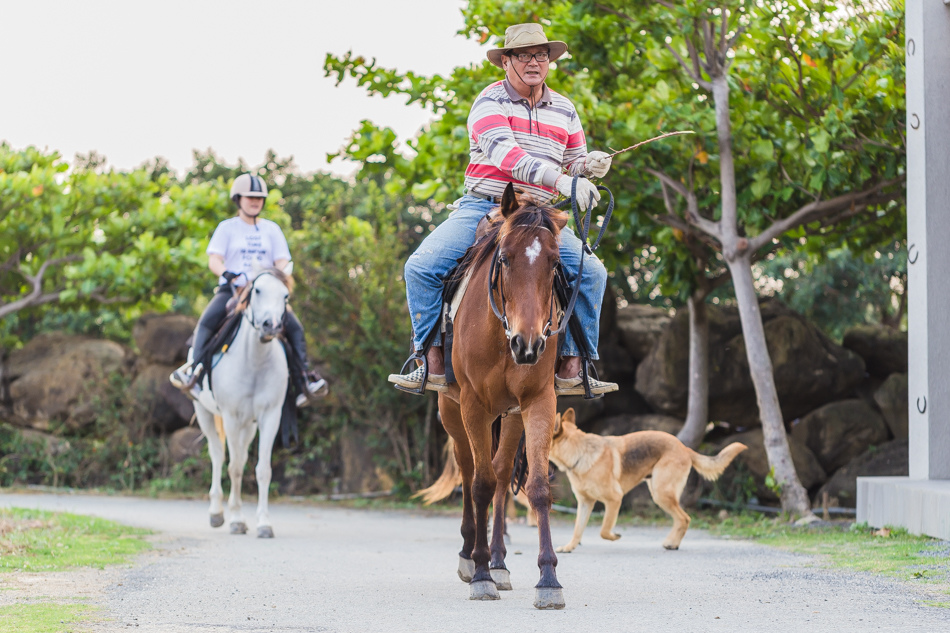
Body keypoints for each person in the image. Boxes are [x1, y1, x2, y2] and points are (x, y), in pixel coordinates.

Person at [388, 23, 618, 397]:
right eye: (524, 55)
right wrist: (562, 182)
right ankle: (428, 362)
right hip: (486, 206)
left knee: (592, 272)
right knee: (421, 267)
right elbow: (509, 158)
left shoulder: (565, 108)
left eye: (541, 54)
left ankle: (574, 366)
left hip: (540, 215)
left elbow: (572, 162)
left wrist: (588, 166)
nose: (534, 62)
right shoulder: (488, 102)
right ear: (506, 61)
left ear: (549, 61)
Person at [170, 172, 327, 406]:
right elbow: (214, 259)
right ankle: (195, 372)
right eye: (249, 197)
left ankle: (304, 380)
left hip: (265, 293)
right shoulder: (227, 228)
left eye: (259, 198)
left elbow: (282, 260)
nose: (255, 201)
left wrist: (281, 275)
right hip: (233, 290)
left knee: (294, 327)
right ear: (238, 199)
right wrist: (225, 273)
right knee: (206, 321)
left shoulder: (272, 229)